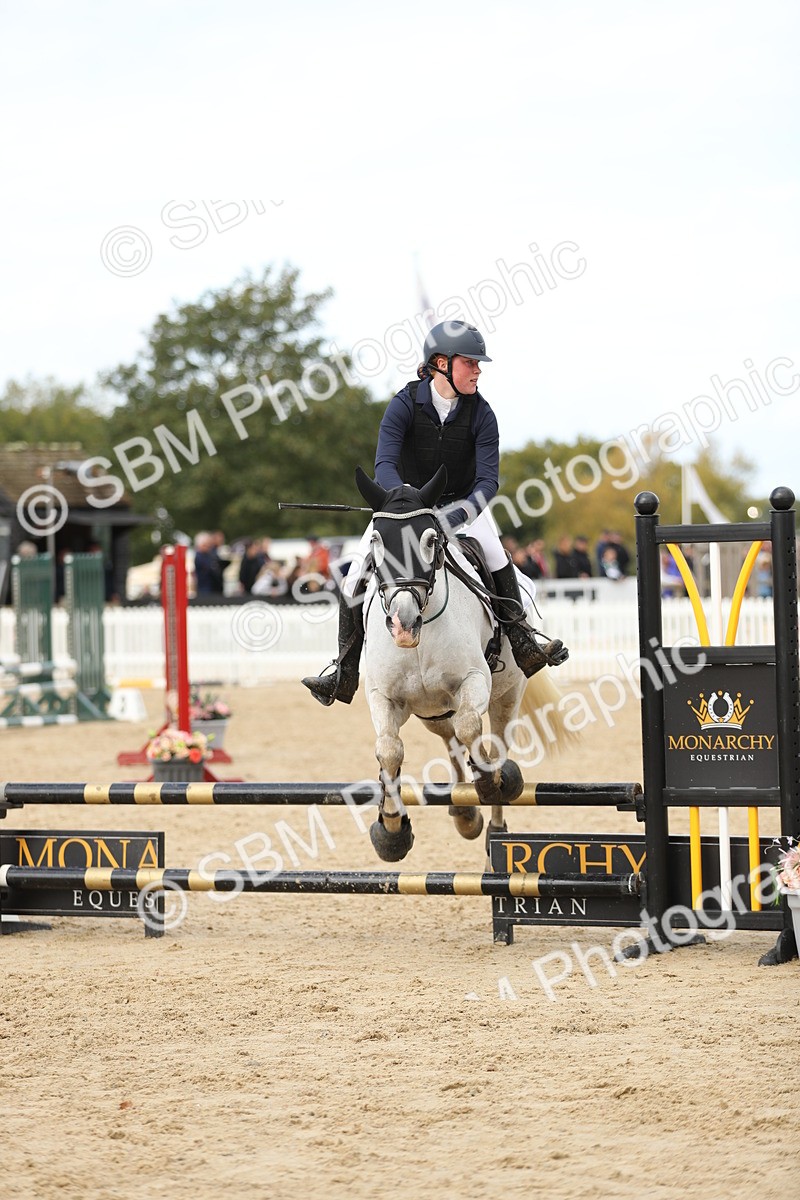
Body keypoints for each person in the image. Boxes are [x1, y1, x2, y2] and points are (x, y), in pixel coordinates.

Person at [302, 320, 568, 706]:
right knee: (352, 575)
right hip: (403, 509)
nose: (478, 370)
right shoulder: (404, 404)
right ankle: (343, 672)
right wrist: (404, 502)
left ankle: (525, 643)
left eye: (478, 364)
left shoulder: (482, 414)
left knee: (495, 556)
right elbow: (385, 465)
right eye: (471, 362)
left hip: (463, 506)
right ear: (441, 363)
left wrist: (458, 515)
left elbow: (488, 481)